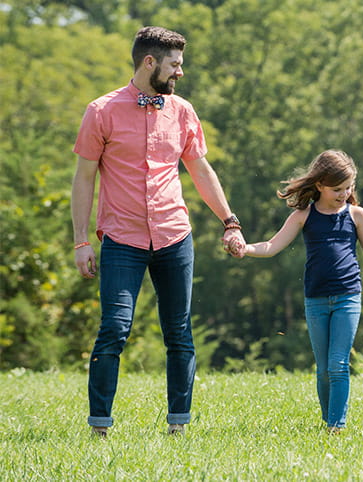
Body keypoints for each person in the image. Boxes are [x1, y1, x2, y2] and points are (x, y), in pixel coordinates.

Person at [71, 26, 245, 438]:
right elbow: (84, 178)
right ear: (150, 62)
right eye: (175, 64)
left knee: (179, 332)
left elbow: (200, 168)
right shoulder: (101, 111)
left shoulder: (182, 111)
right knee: (114, 328)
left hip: (174, 236)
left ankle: (179, 426)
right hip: (122, 238)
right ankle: (99, 427)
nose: (180, 72)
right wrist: (81, 241)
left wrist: (229, 220)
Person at [228, 149, 363, 433]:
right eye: (337, 189)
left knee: (338, 364)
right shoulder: (303, 215)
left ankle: (336, 426)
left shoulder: (356, 215)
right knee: (324, 369)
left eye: (348, 188)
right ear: (319, 185)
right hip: (315, 299)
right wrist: (246, 249)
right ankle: (327, 419)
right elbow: (272, 245)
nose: (344, 194)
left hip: (348, 297)